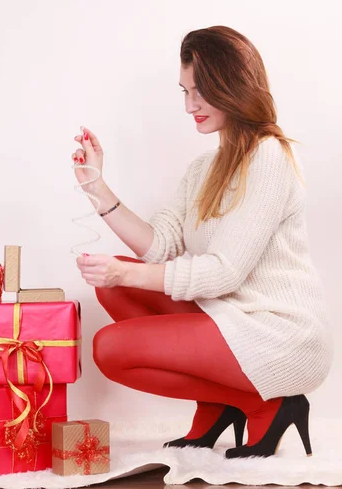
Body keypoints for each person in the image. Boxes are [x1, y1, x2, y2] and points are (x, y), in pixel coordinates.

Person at [71, 25, 333, 459]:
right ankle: (228, 400)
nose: (190, 105)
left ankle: (261, 399)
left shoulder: (268, 157)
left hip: (280, 332)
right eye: (185, 91)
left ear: (233, 86)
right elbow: (162, 246)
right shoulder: (202, 168)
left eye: (201, 92)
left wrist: (126, 270)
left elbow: (224, 271)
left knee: (110, 347)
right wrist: (98, 189)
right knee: (113, 283)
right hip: (231, 318)